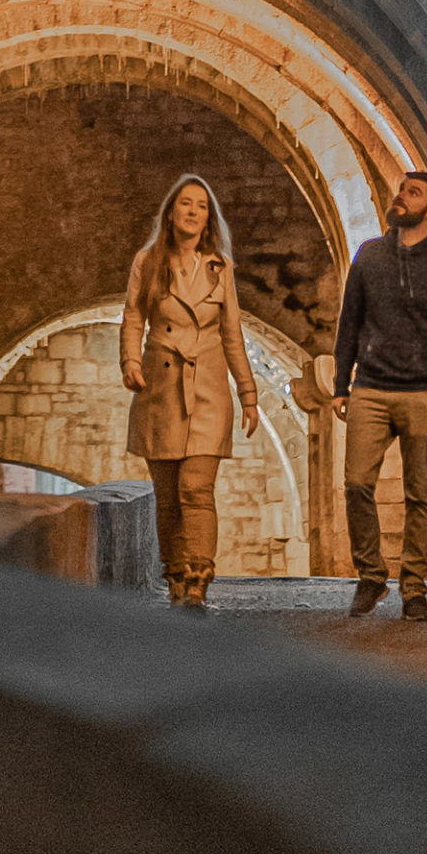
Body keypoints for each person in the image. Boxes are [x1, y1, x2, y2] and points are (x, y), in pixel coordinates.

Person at [331, 172, 427, 621]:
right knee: (356, 484)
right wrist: (340, 384)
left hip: (424, 392)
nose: (401, 197)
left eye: (413, 193)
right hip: (371, 387)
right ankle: (371, 576)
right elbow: (348, 324)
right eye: (401, 190)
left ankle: (414, 588)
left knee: (419, 495)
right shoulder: (369, 256)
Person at [121, 175, 260, 610]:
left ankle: (198, 578)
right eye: (186, 203)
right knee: (167, 495)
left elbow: (232, 333)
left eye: (201, 205)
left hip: (207, 391)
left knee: (196, 489)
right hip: (160, 388)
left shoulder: (220, 268)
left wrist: (248, 393)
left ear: (208, 217)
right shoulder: (148, 261)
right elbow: (132, 316)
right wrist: (129, 361)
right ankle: (176, 576)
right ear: (171, 212)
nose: (193, 211)